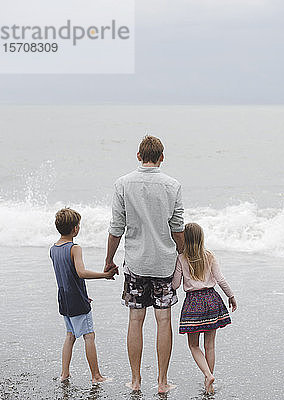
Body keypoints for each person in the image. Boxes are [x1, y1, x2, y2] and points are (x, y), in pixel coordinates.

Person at [104, 135, 184, 393]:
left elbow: (116, 228)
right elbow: (177, 228)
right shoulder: (173, 185)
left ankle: (136, 381)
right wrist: (183, 255)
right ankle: (162, 382)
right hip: (163, 264)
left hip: (136, 263)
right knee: (163, 321)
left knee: (135, 319)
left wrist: (109, 261)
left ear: (138, 156)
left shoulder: (122, 184)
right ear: (161, 158)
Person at [50, 208, 117, 384]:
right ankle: (96, 376)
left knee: (70, 335)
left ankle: (64, 373)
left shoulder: (53, 249)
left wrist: (83, 295)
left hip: (64, 299)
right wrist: (105, 275)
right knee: (89, 336)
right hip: (76, 300)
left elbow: (66, 276)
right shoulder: (74, 248)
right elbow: (80, 273)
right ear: (75, 229)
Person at [172, 222, 237, 394]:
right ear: (202, 238)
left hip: (193, 303)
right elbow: (221, 280)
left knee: (194, 346)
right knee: (210, 345)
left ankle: (208, 375)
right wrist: (231, 296)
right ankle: (210, 384)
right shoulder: (209, 256)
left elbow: (175, 284)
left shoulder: (181, 258)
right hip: (212, 300)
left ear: (184, 238)